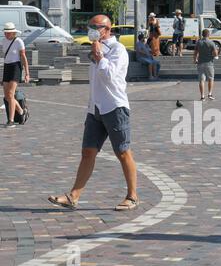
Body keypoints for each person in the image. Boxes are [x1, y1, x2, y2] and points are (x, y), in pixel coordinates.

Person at [48, 15, 140, 211]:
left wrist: (99, 57)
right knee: (87, 152)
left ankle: (132, 196)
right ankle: (73, 196)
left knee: (123, 152)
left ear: (107, 29)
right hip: (95, 108)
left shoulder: (118, 50)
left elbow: (110, 78)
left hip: (115, 107)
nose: (91, 29)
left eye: (95, 27)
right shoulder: (95, 47)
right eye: (90, 26)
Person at [2, 22, 30, 128]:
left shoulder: (19, 42)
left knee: (10, 94)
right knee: (7, 96)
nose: (6, 34)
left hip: (16, 67)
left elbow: (23, 58)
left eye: (8, 33)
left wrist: (27, 73)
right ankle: (22, 111)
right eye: (5, 32)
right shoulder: (3, 41)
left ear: (14, 33)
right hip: (7, 67)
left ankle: (11, 120)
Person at [194, 29, 218, 101]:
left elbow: (195, 52)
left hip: (200, 63)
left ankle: (202, 96)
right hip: (209, 63)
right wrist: (215, 56)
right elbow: (215, 53)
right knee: (211, 78)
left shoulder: (199, 42)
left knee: (201, 80)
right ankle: (210, 94)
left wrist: (195, 59)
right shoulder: (211, 43)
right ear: (208, 34)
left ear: (202, 34)